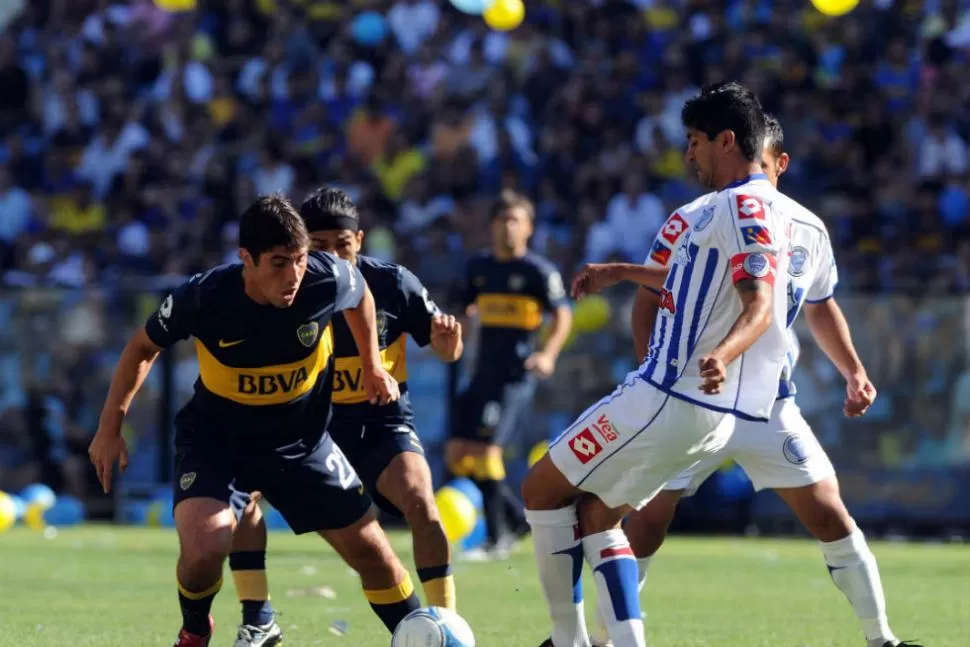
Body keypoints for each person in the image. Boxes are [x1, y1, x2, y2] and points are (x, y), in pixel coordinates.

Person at [586, 116, 919, 647]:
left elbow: (821, 306)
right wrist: (652, 369)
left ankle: (883, 639)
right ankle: (602, 641)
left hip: (768, 402)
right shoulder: (691, 217)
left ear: (778, 164)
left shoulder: (808, 228)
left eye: (761, 167)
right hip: (691, 397)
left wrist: (854, 371)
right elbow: (650, 298)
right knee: (646, 522)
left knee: (830, 512)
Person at [522, 82, 793, 647]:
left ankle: (566, 640)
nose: (689, 154)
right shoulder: (741, 208)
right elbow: (699, 280)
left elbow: (760, 302)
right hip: (706, 416)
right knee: (598, 517)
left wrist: (722, 352)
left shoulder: (741, 203)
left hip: (669, 396)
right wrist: (623, 272)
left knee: (540, 490)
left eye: (695, 141)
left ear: (726, 140)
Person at [87, 195, 421, 647]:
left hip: (301, 443)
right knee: (206, 547)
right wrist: (110, 429)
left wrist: (371, 364)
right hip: (217, 444)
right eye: (279, 263)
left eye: (300, 260)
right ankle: (195, 627)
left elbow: (360, 294)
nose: (293, 275)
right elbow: (142, 347)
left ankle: (425, 635)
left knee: (374, 553)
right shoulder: (204, 297)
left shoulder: (327, 277)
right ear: (246, 259)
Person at [228, 187, 464, 645]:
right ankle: (258, 616)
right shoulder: (290, 290)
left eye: (344, 245)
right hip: (311, 431)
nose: (334, 256)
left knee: (424, 505)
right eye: (319, 248)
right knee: (241, 496)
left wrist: (448, 341)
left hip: (382, 425)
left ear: (360, 239)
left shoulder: (395, 283)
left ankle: (445, 624)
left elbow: (447, 349)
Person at [447, 189, 572, 559]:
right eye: (501, 220)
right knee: (457, 455)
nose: (507, 227)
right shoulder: (479, 268)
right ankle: (516, 519)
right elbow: (464, 313)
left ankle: (497, 538)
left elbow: (562, 314)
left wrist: (547, 355)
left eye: (515, 220)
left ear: (529, 228)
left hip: (514, 376)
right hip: (481, 372)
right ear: (491, 226)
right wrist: (453, 341)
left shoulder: (538, 272)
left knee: (487, 452)